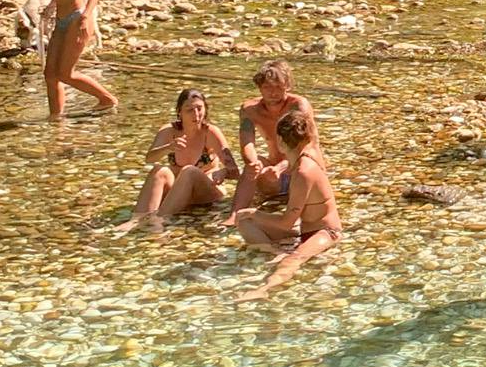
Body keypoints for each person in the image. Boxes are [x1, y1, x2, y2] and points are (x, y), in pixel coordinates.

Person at [239, 102, 344, 297]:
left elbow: (287, 222)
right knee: (245, 222)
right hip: (304, 229)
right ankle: (274, 254)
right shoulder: (305, 155)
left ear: (280, 141)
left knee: (292, 259)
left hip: (326, 232)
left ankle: (264, 290)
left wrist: (256, 213)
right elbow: (298, 151)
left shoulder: (304, 171)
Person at [117, 88, 236, 232]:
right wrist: (168, 147)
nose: (196, 114)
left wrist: (223, 172)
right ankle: (137, 220)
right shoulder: (169, 131)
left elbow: (235, 171)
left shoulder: (210, 132)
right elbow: (149, 158)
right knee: (159, 170)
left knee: (189, 171)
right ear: (179, 112)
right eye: (189, 110)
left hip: (207, 192)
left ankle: (158, 219)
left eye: (199, 108)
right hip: (178, 192)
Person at [228, 58, 317, 216]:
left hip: (300, 169)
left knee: (303, 164)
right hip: (274, 174)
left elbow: (307, 145)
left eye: (278, 86)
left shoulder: (298, 106)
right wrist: (253, 163)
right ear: (259, 87)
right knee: (253, 166)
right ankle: (236, 214)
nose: (273, 92)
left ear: (287, 86)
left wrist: (280, 168)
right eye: (267, 87)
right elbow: (247, 142)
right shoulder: (250, 110)